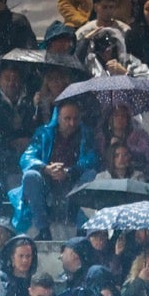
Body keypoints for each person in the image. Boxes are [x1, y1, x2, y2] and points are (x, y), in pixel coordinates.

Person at [12, 100, 98, 238]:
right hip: (47, 183)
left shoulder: (85, 134)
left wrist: (69, 172)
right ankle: (43, 229)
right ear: (58, 118)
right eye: (67, 118)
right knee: (30, 176)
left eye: (75, 118)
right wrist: (45, 168)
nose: (71, 123)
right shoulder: (44, 133)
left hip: (73, 183)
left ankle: (82, 226)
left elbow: (92, 158)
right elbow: (27, 158)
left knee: (91, 175)